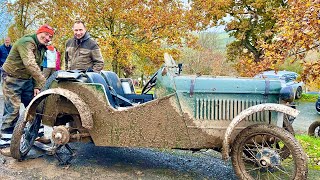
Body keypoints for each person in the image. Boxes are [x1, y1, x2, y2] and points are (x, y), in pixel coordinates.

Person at [0, 24, 54, 156]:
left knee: (36, 106)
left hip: (28, 81)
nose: (47, 38)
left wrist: (37, 86)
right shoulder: (27, 42)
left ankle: (36, 134)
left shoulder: (42, 48)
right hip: (12, 79)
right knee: (12, 110)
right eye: (45, 34)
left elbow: (38, 67)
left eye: (50, 36)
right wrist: (46, 84)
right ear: (39, 32)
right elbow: (29, 63)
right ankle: (5, 143)